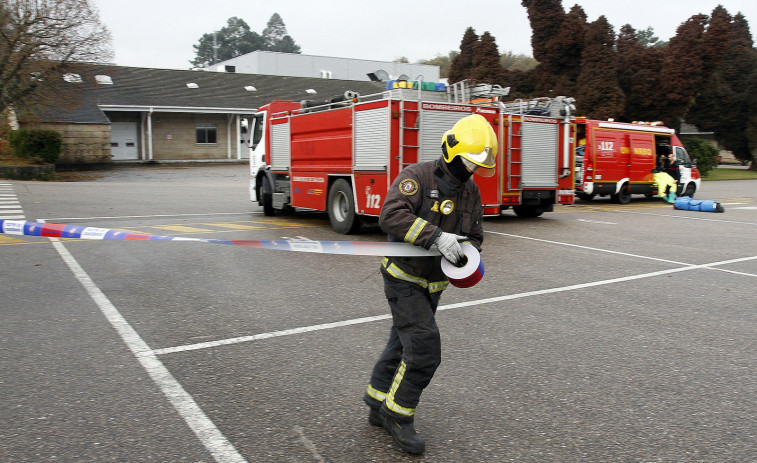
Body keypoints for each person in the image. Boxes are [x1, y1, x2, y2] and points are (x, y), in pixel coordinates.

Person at [363, 114, 496, 454]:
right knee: (423, 349)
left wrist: (468, 255)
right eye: (471, 161)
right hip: (403, 279)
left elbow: (476, 237)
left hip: (434, 286)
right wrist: (435, 236)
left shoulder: (471, 192)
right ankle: (398, 415)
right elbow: (390, 216)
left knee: (402, 341)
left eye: (478, 165)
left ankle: (377, 398)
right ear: (454, 151)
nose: (474, 170)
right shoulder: (416, 177)